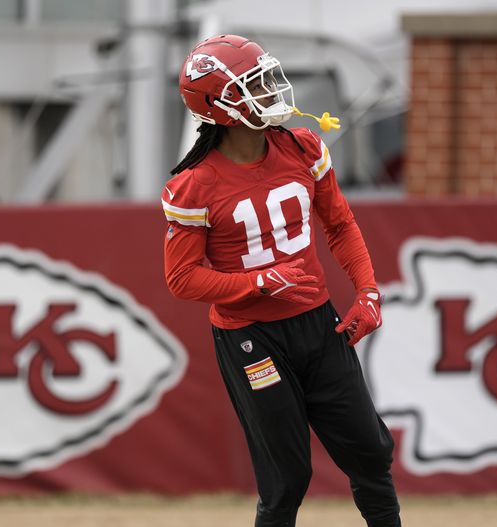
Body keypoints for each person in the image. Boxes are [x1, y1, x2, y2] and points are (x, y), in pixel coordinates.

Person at [163, 34, 401, 527]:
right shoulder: (194, 185)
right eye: (254, 84)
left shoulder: (302, 146)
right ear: (217, 104)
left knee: (371, 454)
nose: (271, 91)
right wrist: (258, 282)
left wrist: (369, 290)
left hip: (318, 323)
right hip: (252, 337)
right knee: (286, 479)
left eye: (268, 78)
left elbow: (339, 225)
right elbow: (182, 279)